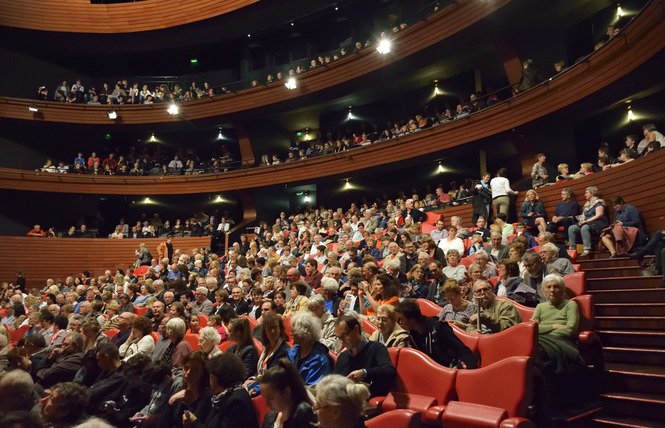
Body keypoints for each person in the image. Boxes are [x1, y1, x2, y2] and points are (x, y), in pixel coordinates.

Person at [182, 353, 258, 428]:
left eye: (211, 377)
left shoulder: (236, 402)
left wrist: (194, 422)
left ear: (216, 379)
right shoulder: (224, 396)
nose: (209, 381)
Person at [396, 299, 477, 369]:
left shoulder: (438, 328)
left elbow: (463, 350)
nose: (399, 323)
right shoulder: (413, 335)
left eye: (401, 319)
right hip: (433, 374)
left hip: (451, 370)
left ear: (411, 318)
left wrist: (472, 374)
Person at [531, 274, 585, 374]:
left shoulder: (570, 305)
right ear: (544, 291)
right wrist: (554, 326)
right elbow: (532, 329)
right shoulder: (540, 307)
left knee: (539, 353)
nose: (552, 290)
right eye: (549, 287)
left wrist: (543, 330)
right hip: (542, 340)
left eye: (556, 287)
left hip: (563, 341)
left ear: (563, 290)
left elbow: (570, 330)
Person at [333, 314, 397, 398]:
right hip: (347, 401)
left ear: (356, 329)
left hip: (368, 400)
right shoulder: (343, 356)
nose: (342, 341)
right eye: (339, 338)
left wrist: (365, 372)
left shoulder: (377, 348)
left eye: (345, 335)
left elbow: (390, 371)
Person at [260, 359, 317, 428]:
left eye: (270, 398)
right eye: (265, 398)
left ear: (287, 392)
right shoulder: (270, 416)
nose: (267, 404)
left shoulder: (304, 414)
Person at [166, 351, 212, 428]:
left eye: (195, 370)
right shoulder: (179, 390)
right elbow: (162, 424)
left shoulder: (208, 398)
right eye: (186, 368)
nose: (188, 373)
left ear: (203, 373)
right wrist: (171, 401)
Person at [286, 311, 332, 385]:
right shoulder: (295, 351)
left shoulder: (320, 360)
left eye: (293, 330)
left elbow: (311, 391)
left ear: (304, 333)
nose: (290, 333)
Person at [568, 186, 608, 257]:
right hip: (587, 222)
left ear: (592, 193)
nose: (585, 194)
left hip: (598, 222)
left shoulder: (598, 203)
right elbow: (583, 215)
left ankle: (587, 249)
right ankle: (572, 249)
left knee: (585, 227)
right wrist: (581, 221)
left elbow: (599, 215)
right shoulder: (586, 204)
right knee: (572, 228)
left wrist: (586, 221)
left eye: (586, 193)